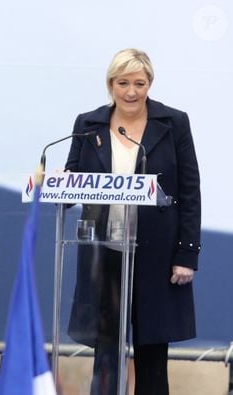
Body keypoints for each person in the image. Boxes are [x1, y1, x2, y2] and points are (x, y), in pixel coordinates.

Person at [65, 48, 201, 395]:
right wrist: (59, 184)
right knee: (106, 350)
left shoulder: (173, 123)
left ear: (149, 84)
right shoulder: (88, 124)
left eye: (139, 83)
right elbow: (72, 182)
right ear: (110, 84)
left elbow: (189, 190)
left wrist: (186, 255)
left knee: (152, 348)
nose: (131, 92)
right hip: (105, 251)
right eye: (123, 83)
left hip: (156, 252)